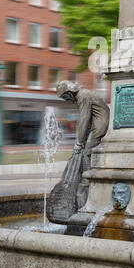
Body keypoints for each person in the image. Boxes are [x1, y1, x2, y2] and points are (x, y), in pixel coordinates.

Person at [47, 81, 110, 224]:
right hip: (97, 124)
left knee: (88, 150)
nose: (66, 100)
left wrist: (79, 142)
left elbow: (83, 119)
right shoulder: (84, 95)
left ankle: (87, 179)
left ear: (69, 92)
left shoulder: (83, 96)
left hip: (100, 125)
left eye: (65, 97)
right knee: (86, 150)